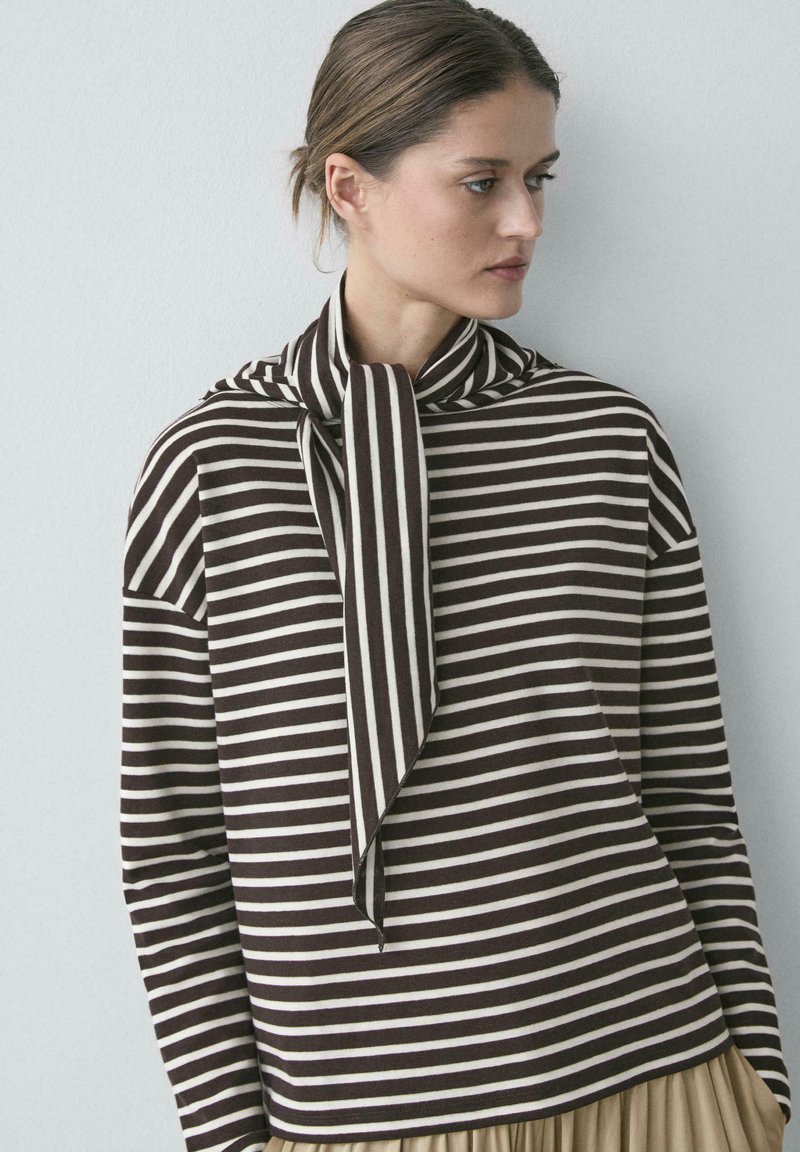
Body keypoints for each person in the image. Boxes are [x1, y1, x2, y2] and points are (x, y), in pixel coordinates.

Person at [119, 2, 790, 1151]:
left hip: (653, 1076)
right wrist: (229, 1135)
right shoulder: (212, 469)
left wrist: (758, 1076)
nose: (525, 220)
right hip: (355, 1113)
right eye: (480, 182)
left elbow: (687, 795)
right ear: (349, 187)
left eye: (538, 179)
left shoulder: (606, 444)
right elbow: (174, 848)